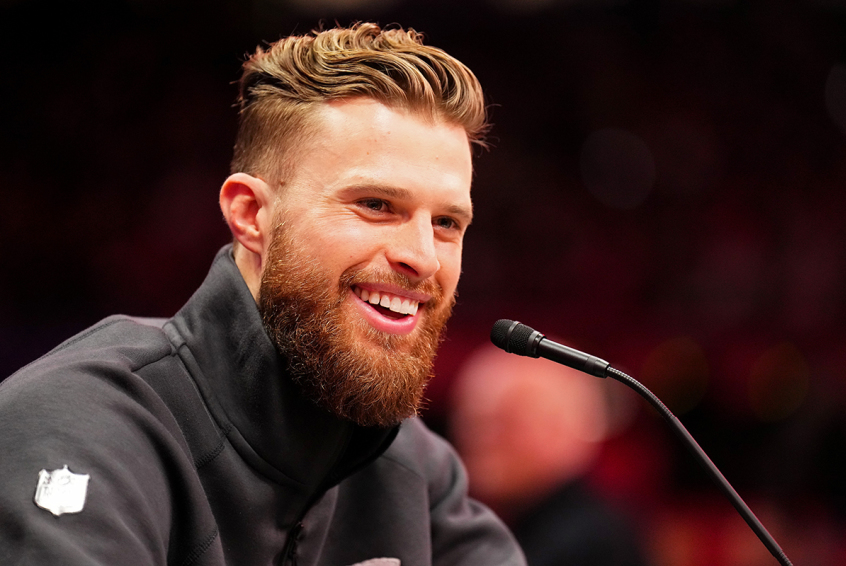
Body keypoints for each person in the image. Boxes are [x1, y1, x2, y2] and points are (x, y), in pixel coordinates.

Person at [0, 23, 525, 566]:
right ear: (251, 215)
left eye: (446, 222)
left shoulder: (415, 468)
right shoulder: (81, 423)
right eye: (375, 204)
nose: (423, 257)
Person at [449, 344, 649, 566]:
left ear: (563, 428)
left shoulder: (590, 541)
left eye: (503, 422)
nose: (478, 438)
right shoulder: (516, 523)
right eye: (470, 421)